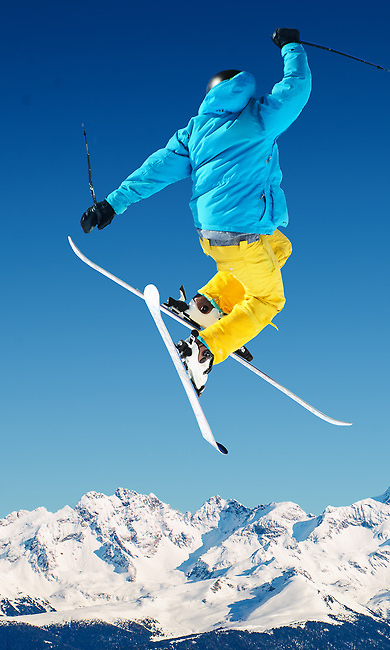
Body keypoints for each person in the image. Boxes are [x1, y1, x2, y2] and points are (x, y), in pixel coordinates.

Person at [80, 28, 310, 395]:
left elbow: (155, 170)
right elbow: (295, 90)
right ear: (242, 89)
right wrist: (291, 46)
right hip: (244, 235)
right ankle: (204, 350)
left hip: (212, 236)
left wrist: (112, 203)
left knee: (281, 246)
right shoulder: (259, 117)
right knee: (268, 299)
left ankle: (206, 306)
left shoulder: (195, 131)